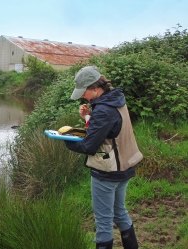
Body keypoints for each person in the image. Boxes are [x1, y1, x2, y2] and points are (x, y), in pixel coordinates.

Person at [64, 65, 143, 249]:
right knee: (120, 213)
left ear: (95, 88)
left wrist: (66, 139)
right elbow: (108, 132)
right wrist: (88, 117)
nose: (83, 96)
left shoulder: (103, 110)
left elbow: (89, 145)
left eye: (84, 92)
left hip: (107, 173)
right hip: (124, 167)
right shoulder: (116, 101)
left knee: (103, 221)